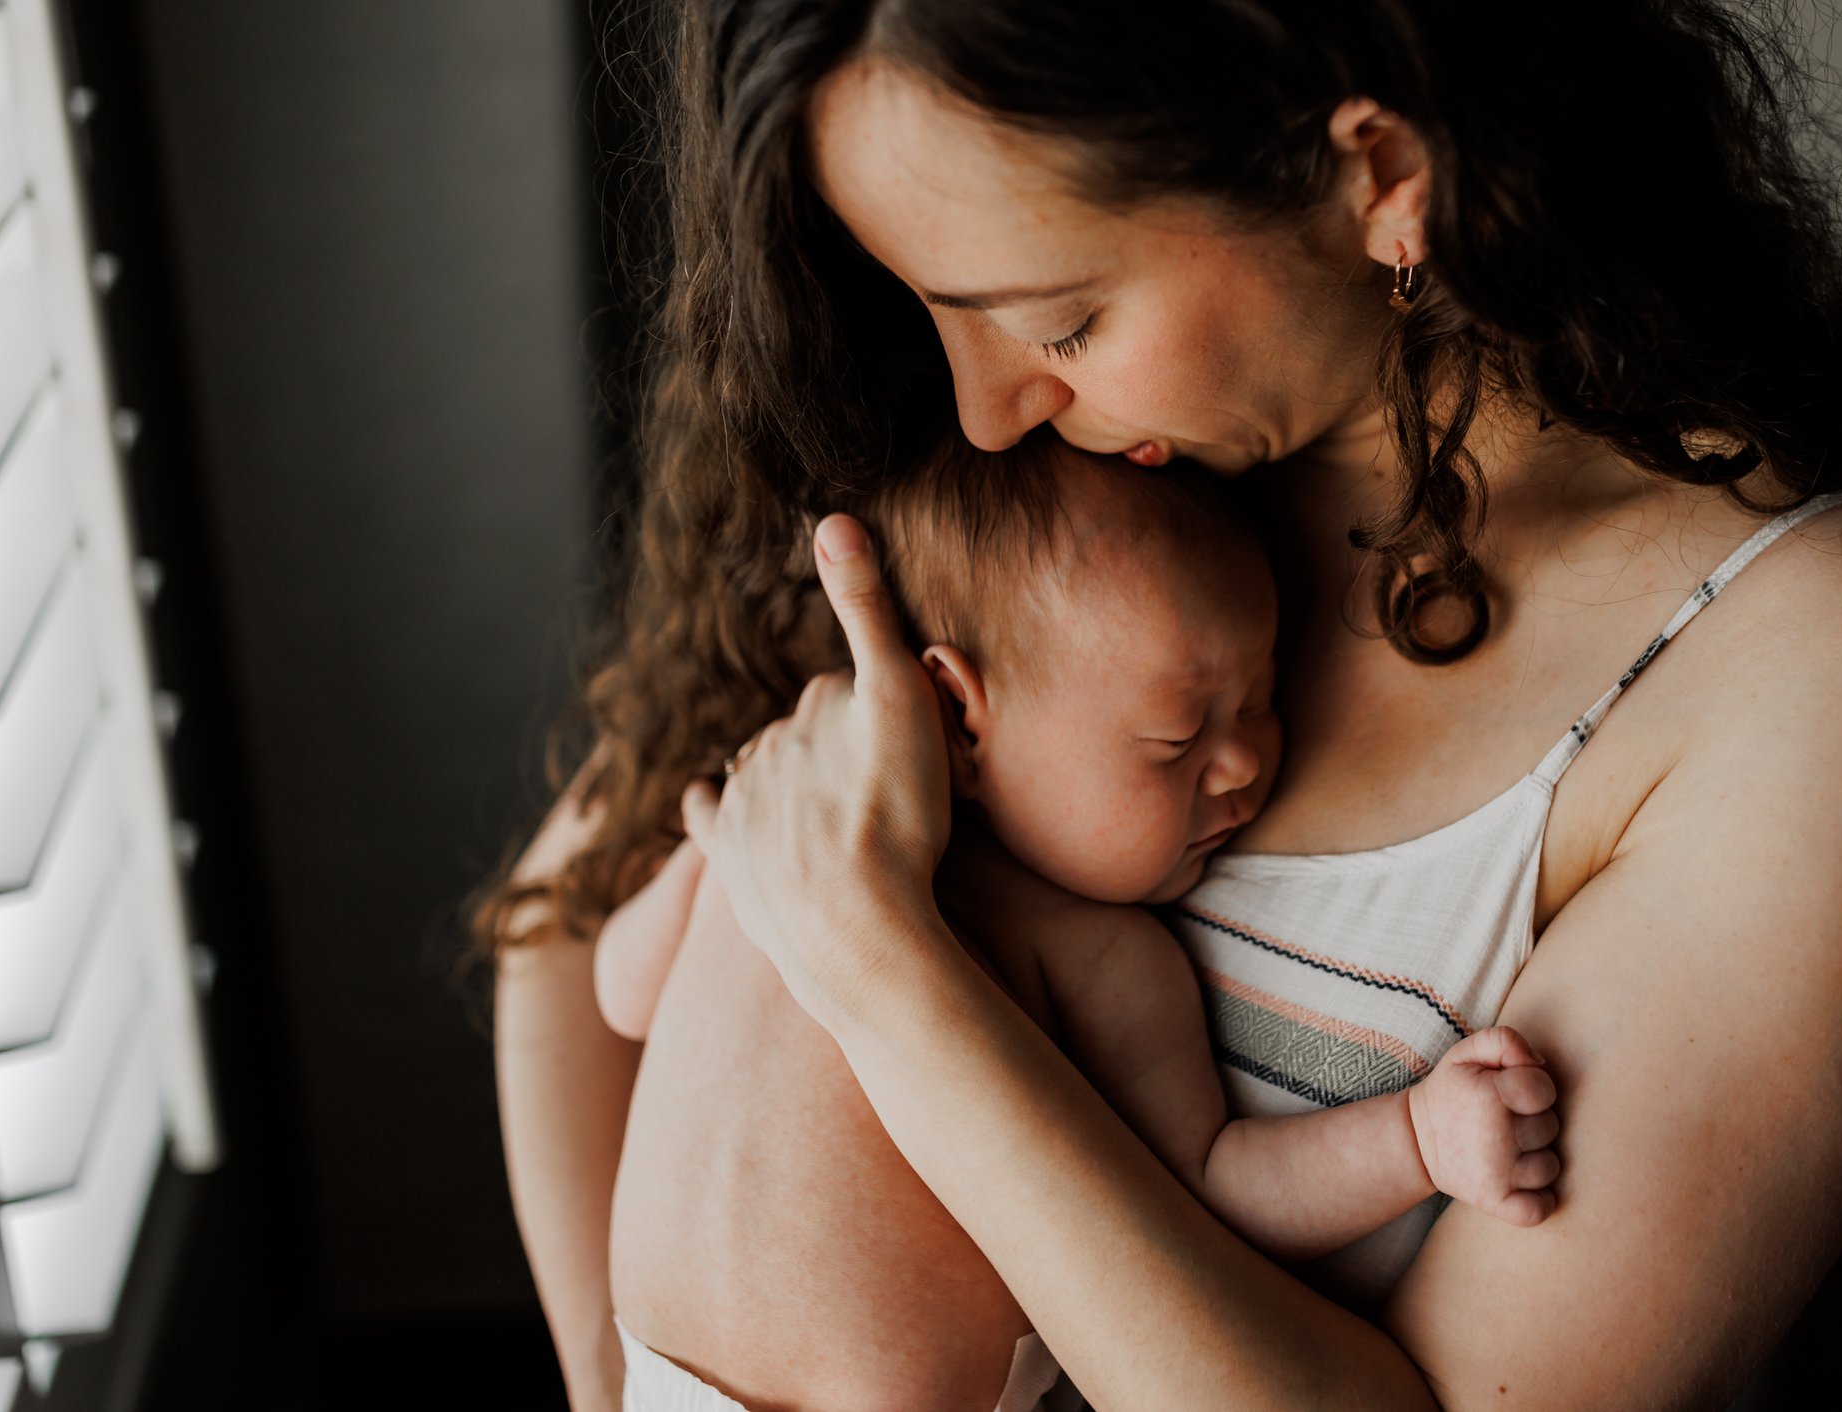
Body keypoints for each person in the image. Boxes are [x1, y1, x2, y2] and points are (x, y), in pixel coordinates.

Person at [487, 0, 1842, 1408]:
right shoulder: (1075, 509)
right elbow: (580, 923)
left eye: (1059, 317)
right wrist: (621, 1371)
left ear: (1376, 175)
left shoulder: (1810, 658)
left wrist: (888, 980)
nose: (982, 409)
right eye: (937, 313)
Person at [593, 436, 1563, 1411]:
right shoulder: (815, 834)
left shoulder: (819, 835)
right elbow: (623, 993)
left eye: (1260, 699)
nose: (1241, 766)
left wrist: (1414, 1137)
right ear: (960, 713)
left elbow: (1208, 1201)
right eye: (1174, 740)